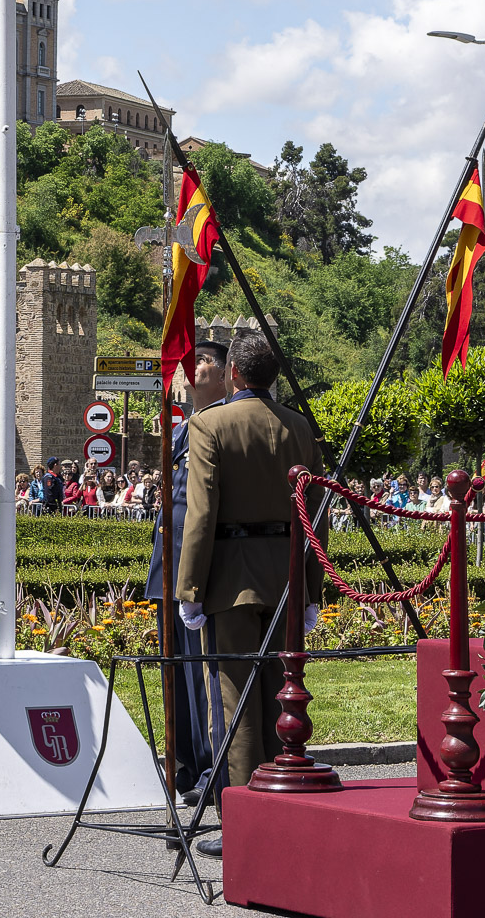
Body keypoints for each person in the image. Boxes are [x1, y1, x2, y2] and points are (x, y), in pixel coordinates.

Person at [177, 329, 326, 857]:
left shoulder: (209, 423)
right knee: (276, 695)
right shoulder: (299, 427)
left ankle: (244, 819)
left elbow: (201, 513)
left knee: (234, 701)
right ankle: (279, 801)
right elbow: (316, 513)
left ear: (235, 373)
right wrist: (312, 588)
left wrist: (190, 588)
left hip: (231, 578)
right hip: (285, 573)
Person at [145, 338, 227, 808]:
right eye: (189, 360)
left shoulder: (223, 426)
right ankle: (185, 764)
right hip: (168, 564)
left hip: (198, 571)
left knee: (202, 675)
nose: (192, 367)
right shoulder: (182, 430)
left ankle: (212, 766)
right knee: (174, 671)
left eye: (205, 361)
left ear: (226, 373)